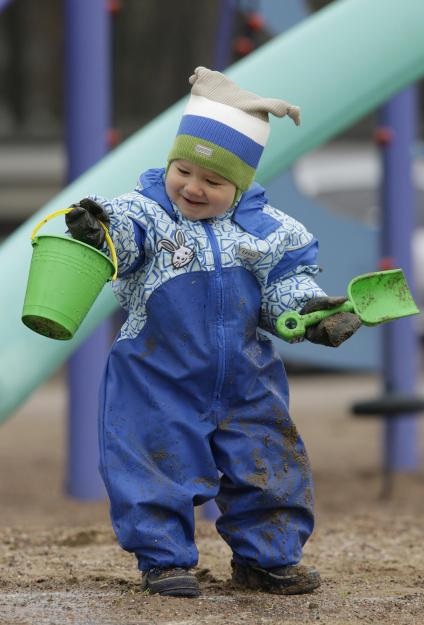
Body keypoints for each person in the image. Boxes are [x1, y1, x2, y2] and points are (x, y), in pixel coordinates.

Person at [65, 67, 361, 598]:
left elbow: (284, 291)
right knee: (154, 462)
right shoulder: (150, 213)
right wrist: (99, 229)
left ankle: (266, 559)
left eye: (213, 181)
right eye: (183, 170)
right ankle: (163, 560)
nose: (193, 187)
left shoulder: (269, 230)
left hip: (246, 377)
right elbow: (123, 232)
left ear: (241, 183)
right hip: (157, 375)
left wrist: (312, 318)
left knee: (268, 461)